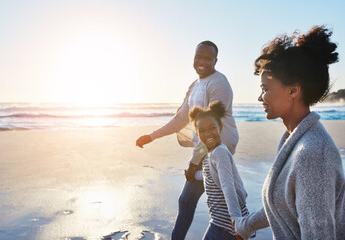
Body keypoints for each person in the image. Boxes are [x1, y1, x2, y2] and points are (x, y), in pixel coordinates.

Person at [233, 26, 345, 239]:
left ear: (293, 90)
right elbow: (284, 203)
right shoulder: (295, 141)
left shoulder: (313, 154)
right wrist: (246, 226)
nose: (260, 97)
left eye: (265, 88)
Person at [136, 41, 239, 239]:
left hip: (219, 152)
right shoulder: (195, 85)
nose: (202, 62)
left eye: (208, 58)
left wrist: (194, 164)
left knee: (223, 206)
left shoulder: (219, 84)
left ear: (215, 61)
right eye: (199, 56)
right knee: (197, 202)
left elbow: (211, 130)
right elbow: (180, 119)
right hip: (206, 153)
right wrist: (151, 136)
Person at [189, 101, 250, 240]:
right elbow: (210, 175)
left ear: (220, 128)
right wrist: (195, 174)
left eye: (212, 128)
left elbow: (228, 186)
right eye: (202, 130)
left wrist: (236, 221)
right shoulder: (210, 154)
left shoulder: (220, 153)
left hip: (226, 224)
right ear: (197, 134)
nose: (208, 133)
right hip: (220, 221)